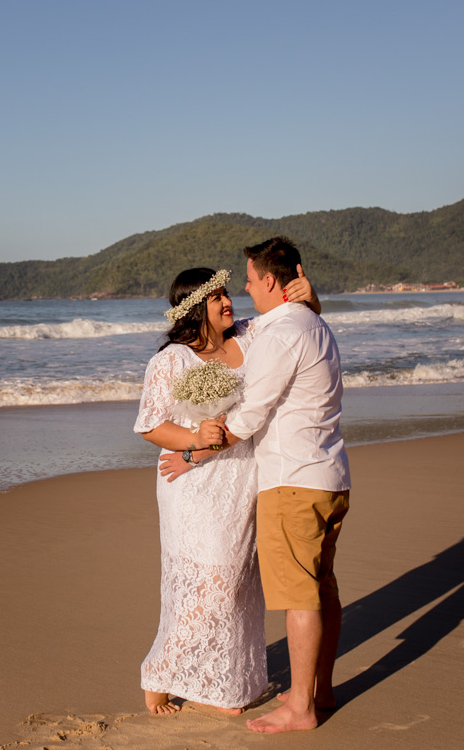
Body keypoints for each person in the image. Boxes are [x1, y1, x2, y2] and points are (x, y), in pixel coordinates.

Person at [161, 236, 349, 734]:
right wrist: (310, 298)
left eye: (247, 280)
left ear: (269, 281)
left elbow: (250, 412)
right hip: (331, 477)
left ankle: (300, 708)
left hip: (293, 481)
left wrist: (193, 453)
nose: (242, 290)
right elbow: (244, 328)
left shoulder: (285, 332)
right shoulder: (309, 321)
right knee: (321, 585)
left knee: (299, 596)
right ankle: (319, 690)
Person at [134, 264, 319, 717]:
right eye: (216, 297)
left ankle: (219, 683)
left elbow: (295, 324)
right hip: (192, 483)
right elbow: (151, 425)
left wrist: (311, 300)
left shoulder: (250, 337)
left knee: (236, 585)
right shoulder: (171, 360)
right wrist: (196, 438)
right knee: (208, 584)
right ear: (195, 308)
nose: (228, 301)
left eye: (227, 293)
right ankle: (158, 674)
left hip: (241, 477)